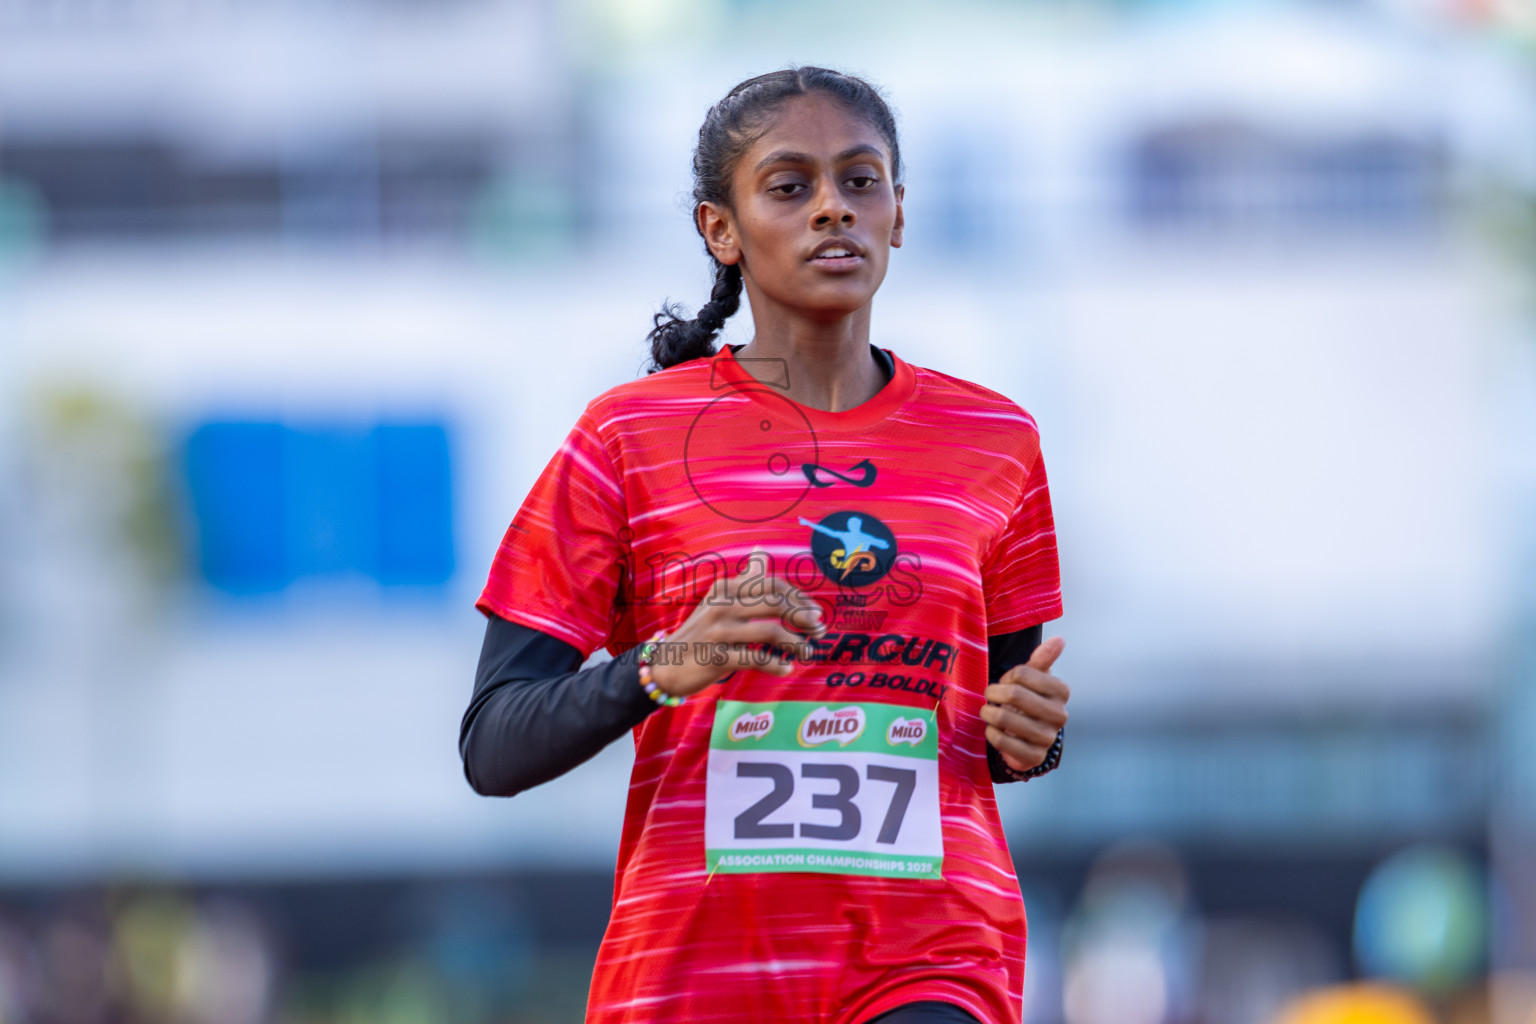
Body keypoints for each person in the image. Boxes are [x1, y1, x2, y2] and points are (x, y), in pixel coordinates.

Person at [460, 66, 1070, 1024]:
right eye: (791, 186)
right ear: (722, 229)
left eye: (860, 181)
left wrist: (1036, 741)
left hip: (933, 955)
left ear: (899, 211)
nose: (834, 209)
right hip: (701, 972)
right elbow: (494, 747)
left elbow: (1001, 729)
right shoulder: (626, 440)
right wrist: (665, 666)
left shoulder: (995, 441)